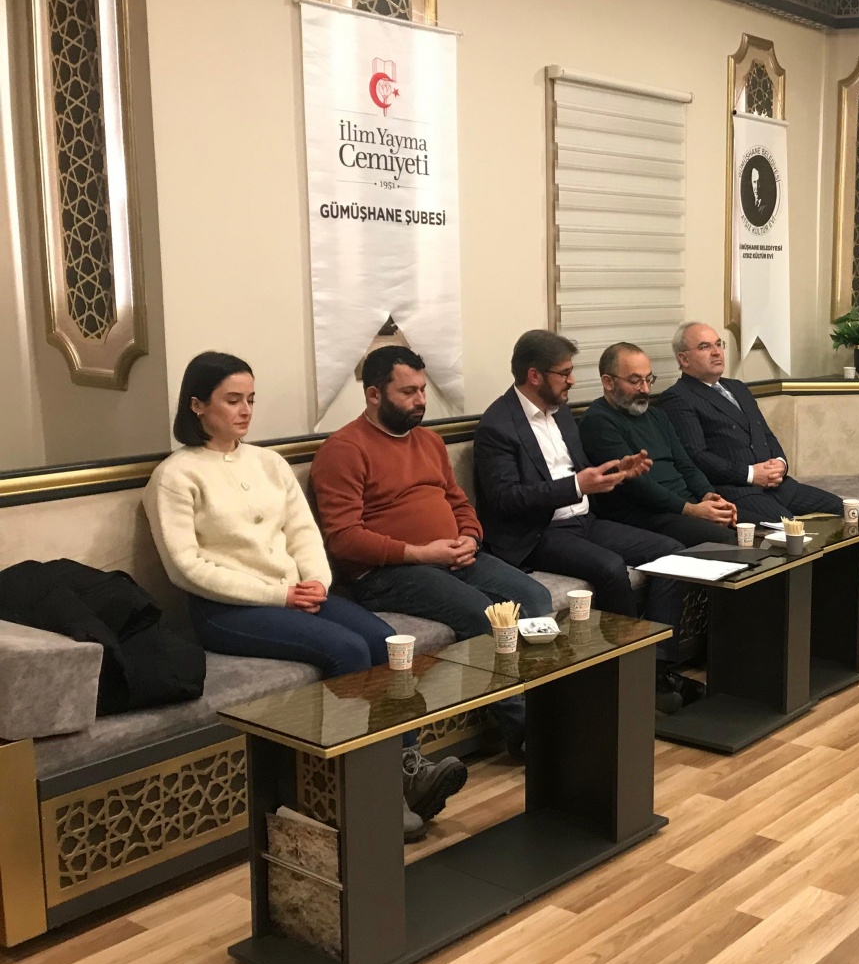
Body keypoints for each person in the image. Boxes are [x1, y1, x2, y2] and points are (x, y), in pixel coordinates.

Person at [143, 352, 465, 842]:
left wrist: (316, 580)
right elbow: (186, 568)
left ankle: (408, 765)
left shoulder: (268, 463)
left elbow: (303, 533)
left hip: (298, 592)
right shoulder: (175, 475)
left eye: (251, 399)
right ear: (197, 405)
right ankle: (365, 796)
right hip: (228, 609)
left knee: (386, 641)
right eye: (232, 400)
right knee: (347, 650)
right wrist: (280, 593)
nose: (246, 411)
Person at [309, 345, 554, 755]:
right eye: (408, 392)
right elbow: (343, 538)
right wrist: (421, 553)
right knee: (485, 615)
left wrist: (470, 537)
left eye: (422, 390)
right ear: (374, 394)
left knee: (535, 597)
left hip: (453, 557)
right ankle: (525, 733)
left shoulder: (428, 441)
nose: (420, 400)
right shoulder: (343, 450)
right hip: (386, 574)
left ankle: (548, 709)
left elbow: (459, 502)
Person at [472, 331, 694, 704]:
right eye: (564, 373)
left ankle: (656, 669)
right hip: (538, 532)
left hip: (584, 520)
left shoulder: (562, 414)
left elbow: (581, 470)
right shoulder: (498, 425)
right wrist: (576, 486)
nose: (573, 380)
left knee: (670, 552)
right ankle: (624, 678)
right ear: (535, 376)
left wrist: (617, 469)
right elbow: (505, 499)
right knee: (610, 567)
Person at [658, 321, 843, 524]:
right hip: (736, 490)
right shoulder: (678, 397)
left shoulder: (738, 388)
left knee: (840, 507)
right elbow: (696, 456)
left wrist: (780, 464)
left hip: (777, 485)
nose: (716, 352)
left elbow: (765, 434)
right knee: (785, 525)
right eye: (705, 346)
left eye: (718, 344)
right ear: (683, 359)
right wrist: (751, 474)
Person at [578, 342, 738, 547]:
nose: (645, 389)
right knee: (727, 540)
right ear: (608, 382)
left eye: (649, 379)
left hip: (684, 504)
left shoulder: (657, 415)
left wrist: (709, 496)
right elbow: (638, 486)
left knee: (753, 526)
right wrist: (691, 510)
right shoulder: (598, 421)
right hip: (644, 514)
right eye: (635, 381)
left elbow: (685, 465)